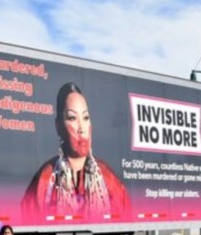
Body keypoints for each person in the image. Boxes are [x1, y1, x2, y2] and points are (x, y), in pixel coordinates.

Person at [22, 82, 130, 220]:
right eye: (72, 118)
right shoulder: (45, 179)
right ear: (58, 126)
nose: (82, 128)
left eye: (85, 118)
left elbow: (125, 213)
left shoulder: (108, 179)